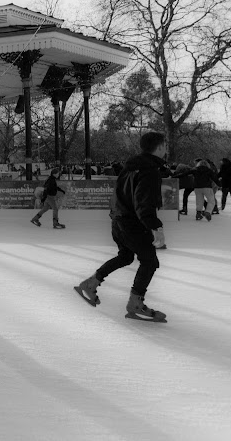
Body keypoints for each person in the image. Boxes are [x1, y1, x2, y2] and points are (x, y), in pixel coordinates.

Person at [74, 132, 168, 323]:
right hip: (133, 223)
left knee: (125, 256)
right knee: (149, 262)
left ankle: (90, 284)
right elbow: (143, 202)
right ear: (159, 147)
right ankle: (135, 304)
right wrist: (155, 227)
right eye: (165, 145)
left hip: (118, 219)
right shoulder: (149, 170)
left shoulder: (131, 166)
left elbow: (118, 194)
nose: (166, 149)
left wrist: (117, 215)